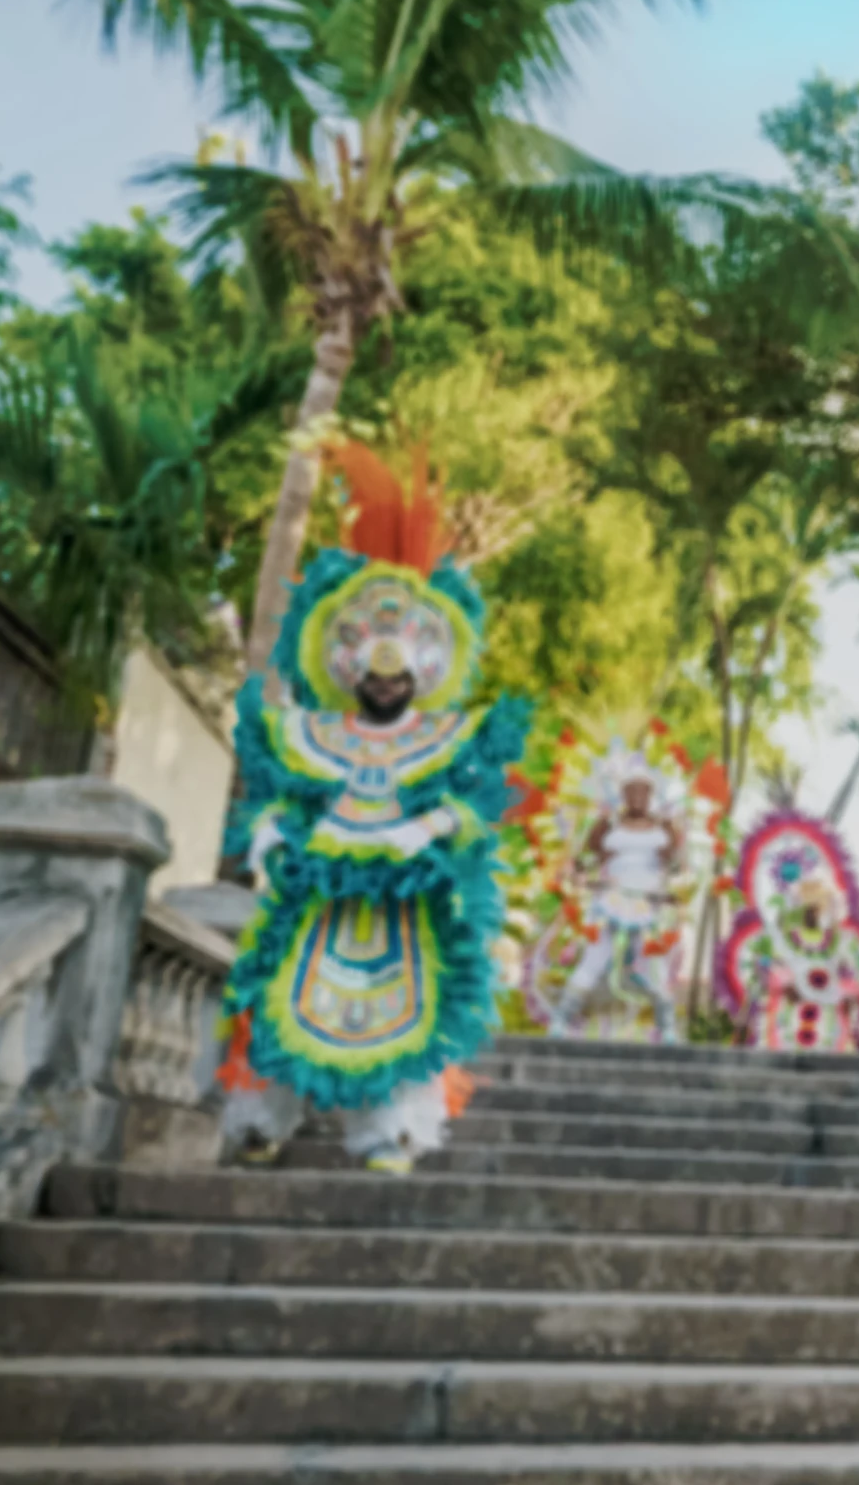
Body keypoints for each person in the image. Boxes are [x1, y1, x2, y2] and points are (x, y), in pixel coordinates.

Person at [220, 441, 527, 1172]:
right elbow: (281, 798)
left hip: (406, 897)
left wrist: (424, 829)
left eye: (398, 672)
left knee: (406, 1005)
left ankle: (392, 1133)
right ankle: (264, 1119)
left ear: (424, 669)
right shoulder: (311, 734)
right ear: (347, 665)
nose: (385, 680)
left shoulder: (447, 739)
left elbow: (475, 809)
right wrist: (268, 836)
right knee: (285, 992)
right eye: (373, 668)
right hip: (318, 890)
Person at [718, 808, 859, 1051]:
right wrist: (784, 983)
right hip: (786, 1022)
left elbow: (854, 975)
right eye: (807, 905)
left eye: (817, 906)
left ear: (827, 908)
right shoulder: (782, 938)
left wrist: (845, 992)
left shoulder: (839, 941)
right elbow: (764, 966)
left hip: (828, 1025)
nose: (811, 911)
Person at [548, 770, 682, 1037]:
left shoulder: (665, 827)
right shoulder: (606, 825)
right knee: (593, 960)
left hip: (648, 903)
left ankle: (667, 1028)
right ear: (623, 795)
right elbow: (585, 862)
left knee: (653, 967)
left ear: (650, 795)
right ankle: (560, 1020)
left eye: (642, 791)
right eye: (631, 791)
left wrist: (671, 890)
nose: (637, 797)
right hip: (610, 900)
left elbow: (677, 868)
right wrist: (583, 877)